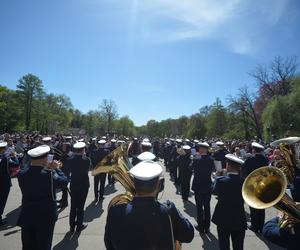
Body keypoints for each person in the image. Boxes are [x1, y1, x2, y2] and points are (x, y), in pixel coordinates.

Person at [104, 160, 194, 249]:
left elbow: (109, 244)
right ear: (158, 185)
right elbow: (188, 235)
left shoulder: (115, 212)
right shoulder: (169, 210)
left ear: (134, 184)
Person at [17, 145, 68, 250]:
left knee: (28, 245)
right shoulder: (49, 174)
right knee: (44, 245)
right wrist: (56, 169)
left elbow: (31, 171)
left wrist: (47, 168)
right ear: (45, 158)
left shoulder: (22, 173)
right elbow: (63, 182)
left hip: (27, 214)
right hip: (45, 216)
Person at [212, 154, 247, 250]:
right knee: (239, 246)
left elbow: (214, 191)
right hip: (239, 217)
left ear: (228, 165)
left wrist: (217, 177)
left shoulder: (220, 180)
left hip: (223, 217)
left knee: (224, 244)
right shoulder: (245, 182)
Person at [242, 142, 269, 233]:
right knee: (261, 205)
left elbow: (243, 168)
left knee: (253, 205)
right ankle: (261, 226)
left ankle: (254, 226)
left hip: (252, 184)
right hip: (262, 184)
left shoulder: (250, 159)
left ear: (253, 149)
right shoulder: (265, 159)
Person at [65, 141, 91, 232]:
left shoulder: (70, 159)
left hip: (74, 184)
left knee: (73, 206)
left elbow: (68, 171)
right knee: (81, 206)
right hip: (83, 185)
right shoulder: (87, 160)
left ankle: (72, 226)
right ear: (83, 149)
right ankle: (79, 225)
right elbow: (87, 170)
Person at [191, 142, 215, 233]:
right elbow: (213, 170)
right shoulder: (211, 159)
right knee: (207, 207)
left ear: (201, 149)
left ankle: (201, 227)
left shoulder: (196, 159)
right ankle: (207, 227)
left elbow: (190, 168)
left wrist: (194, 159)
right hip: (207, 185)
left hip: (198, 186)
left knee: (199, 207)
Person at [0, 141, 19, 226]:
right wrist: (14, 156)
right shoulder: (6, 159)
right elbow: (16, 164)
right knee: (2, 201)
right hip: (4, 183)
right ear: (3, 149)